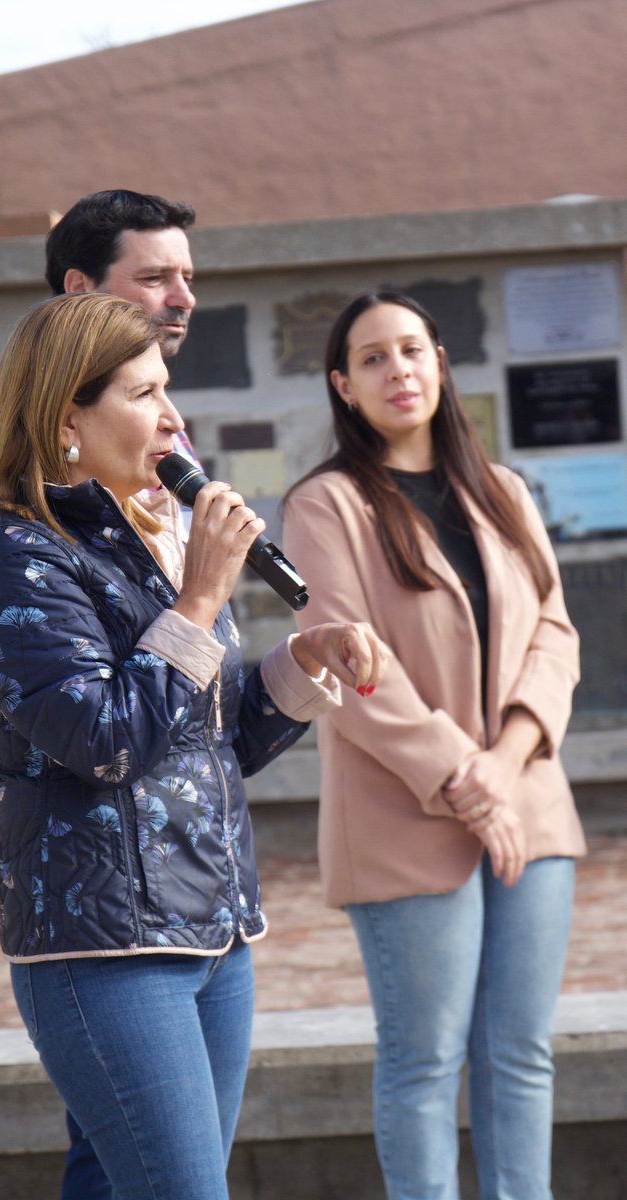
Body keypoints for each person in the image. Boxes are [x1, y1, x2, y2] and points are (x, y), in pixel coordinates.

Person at [0, 292, 388, 1200]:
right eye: (146, 394)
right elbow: (103, 741)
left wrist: (300, 666)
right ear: (70, 412)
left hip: (214, 931)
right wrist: (196, 603)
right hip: (104, 948)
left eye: (168, 390)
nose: (173, 419)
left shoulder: (147, 533)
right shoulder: (13, 551)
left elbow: (206, 742)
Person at [0, 189, 200, 1199]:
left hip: (191, 889)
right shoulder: (6, 458)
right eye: (153, 278)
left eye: (185, 277)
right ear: (78, 296)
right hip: (95, 892)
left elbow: (191, 679)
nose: (179, 296)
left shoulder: (160, 445)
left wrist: (288, 676)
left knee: (116, 1161)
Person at [282, 290, 586, 1200]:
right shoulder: (323, 505)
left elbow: (555, 636)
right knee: (424, 1061)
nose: (397, 370)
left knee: (520, 1056)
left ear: (441, 362)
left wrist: (501, 769)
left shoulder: (503, 492)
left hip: (529, 803)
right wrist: (464, 779)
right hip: (403, 820)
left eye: (411, 350)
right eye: (372, 358)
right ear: (344, 385)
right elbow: (351, 668)